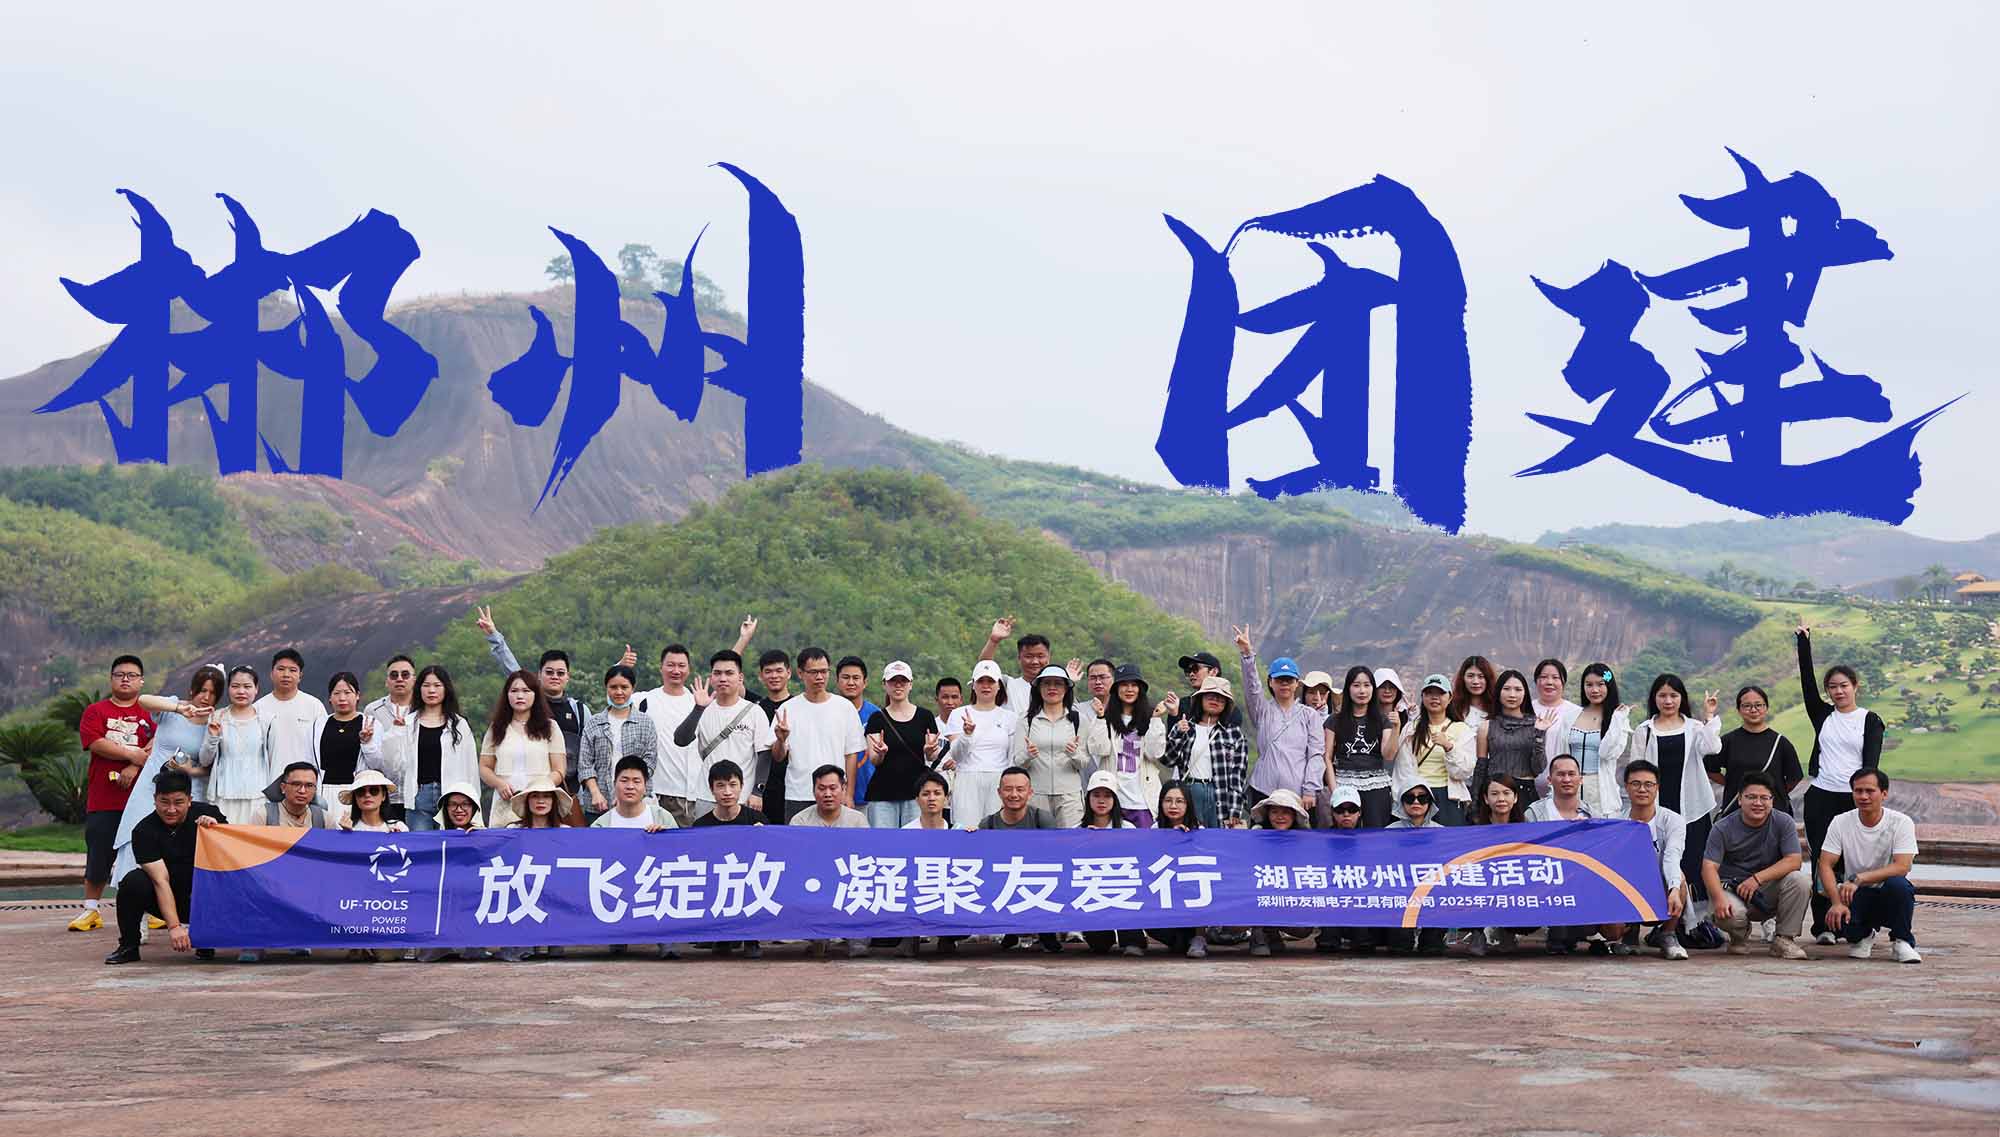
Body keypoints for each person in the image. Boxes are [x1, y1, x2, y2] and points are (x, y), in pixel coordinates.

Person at [1795, 626, 1886, 944]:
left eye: (1844, 686)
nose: (1838, 692)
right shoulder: (1823, 715)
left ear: (1855, 686)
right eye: (1832, 687)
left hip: (1854, 799)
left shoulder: (1870, 720)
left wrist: (1867, 798)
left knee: (1855, 861)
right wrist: (1803, 642)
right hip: (1821, 796)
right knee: (1823, 860)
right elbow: (1807, 684)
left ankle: (1854, 923)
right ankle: (1823, 926)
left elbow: (1871, 765)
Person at [477, 606, 607, 820]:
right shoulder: (524, 702)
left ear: (568, 677)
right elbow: (513, 672)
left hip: (565, 794)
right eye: (549, 672)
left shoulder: (579, 711)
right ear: (538, 676)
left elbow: (589, 754)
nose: (555, 677)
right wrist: (494, 636)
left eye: (560, 673)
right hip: (512, 800)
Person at [111, 665, 224, 885]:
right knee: (140, 834)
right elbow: (143, 700)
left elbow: (211, 767)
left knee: (179, 846)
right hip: (152, 784)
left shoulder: (216, 722)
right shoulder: (172, 707)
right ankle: (134, 895)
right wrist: (179, 709)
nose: (206, 697)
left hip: (187, 789)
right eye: (202, 690)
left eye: (212, 693)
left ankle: (170, 901)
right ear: (192, 689)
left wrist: (189, 770)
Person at [72, 655, 159, 932]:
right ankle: (91, 909)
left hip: (143, 798)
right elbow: (96, 742)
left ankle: (154, 909)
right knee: (99, 851)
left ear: (141, 681)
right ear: (111, 679)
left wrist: (134, 766)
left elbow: (161, 741)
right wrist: (132, 754)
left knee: (147, 852)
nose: (125, 679)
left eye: (132, 675)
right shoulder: (95, 711)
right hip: (104, 797)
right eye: (120, 674)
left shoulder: (150, 713)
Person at [103, 768, 224, 965]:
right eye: (164, 802)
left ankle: (206, 939)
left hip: (209, 897)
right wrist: (174, 927)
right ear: (155, 799)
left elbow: (232, 856)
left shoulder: (209, 814)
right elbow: (160, 881)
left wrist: (217, 831)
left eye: (178, 802)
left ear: (190, 800)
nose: (171, 810)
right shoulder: (144, 831)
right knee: (133, 882)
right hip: (169, 897)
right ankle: (129, 946)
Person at [1630, 673, 1722, 925]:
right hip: (1656, 807)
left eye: (1673, 695)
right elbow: (1636, 770)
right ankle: (1660, 921)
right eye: (1662, 695)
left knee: (1694, 862)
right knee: (1656, 862)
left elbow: (1712, 748)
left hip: (1692, 806)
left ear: (1682, 698)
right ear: (1654, 699)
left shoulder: (1694, 727)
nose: (1668, 701)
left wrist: (1709, 716)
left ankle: (1697, 924)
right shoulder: (1644, 730)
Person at [1702, 771, 1810, 960]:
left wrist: (1757, 879)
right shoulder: (1722, 827)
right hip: (1732, 889)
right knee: (1730, 912)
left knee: (1800, 881)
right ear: (1739, 799)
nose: (1758, 803)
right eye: (1751, 797)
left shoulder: (1783, 821)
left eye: (1764, 798)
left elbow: (1794, 860)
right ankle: (1738, 936)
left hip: (1766, 889)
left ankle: (1784, 939)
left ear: (1772, 801)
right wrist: (1718, 898)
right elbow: (1709, 867)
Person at [1820, 769, 1920, 963]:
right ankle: (1863, 936)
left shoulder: (1901, 822)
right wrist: (1836, 902)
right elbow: (1825, 863)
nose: (1863, 796)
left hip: (1887, 892)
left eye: (1870, 791)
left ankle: (1901, 941)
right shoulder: (1840, 822)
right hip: (1855, 893)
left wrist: (1859, 878)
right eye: (1858, 791)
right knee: (1840, 919)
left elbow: (1903, 866)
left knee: (1900, 885)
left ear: (1884, 793)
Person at [370, 664, 479, 832]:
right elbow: (392, 764)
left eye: (437, 685)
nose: (431, 690)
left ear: (446, 689)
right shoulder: (408, 722)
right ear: (419, 689)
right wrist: (396, 731)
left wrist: (473, 805)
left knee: (450, 844)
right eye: (426, 685)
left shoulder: (459, 725)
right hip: (418, 797)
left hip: (452, 799)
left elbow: (470, 769)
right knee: (420, 845)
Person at [1235, 626, 1325, 820]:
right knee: (1262, 836)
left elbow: (1316, 755)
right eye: (1280, 680)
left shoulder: (1310, 715)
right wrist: (1247, 654)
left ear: (1297, 683)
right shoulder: (1262, 711)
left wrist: (1310, 788)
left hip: (1298, 794)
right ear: (1271, 682)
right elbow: (1252, 689)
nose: (1284, 684)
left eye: (1289, 680)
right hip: (1263, 790)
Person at [673, 650, 777, 818]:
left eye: (729, 673)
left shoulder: (754, 712)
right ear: (711, 677)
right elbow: (680, 740)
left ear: (740, 678)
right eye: (717, 673)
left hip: (743, 798)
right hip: (707, 796)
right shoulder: (702, 709)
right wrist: (698, 708)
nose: (723, 678)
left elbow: (764, 755)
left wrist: (757, 792)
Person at [771, 648, 867, 821]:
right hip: (799, 793)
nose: (820, 677)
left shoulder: (844, 707)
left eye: (824, 671)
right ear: (800, 673)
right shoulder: (787, 709)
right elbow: (778, 756)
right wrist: (781, 740)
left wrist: (848, 794)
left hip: (835, 794)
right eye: (814, 672)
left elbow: (851, 754)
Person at [976, 766, 1062, 953]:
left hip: (1038, 880)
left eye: (1020, 789)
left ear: (1030, 792)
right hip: (1002, 882)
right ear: (999, 792)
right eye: (1008, 789)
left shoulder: (1042, 819)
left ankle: (1046, 932)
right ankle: (1010, 930)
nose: (1014, 794)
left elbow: (1055, 857)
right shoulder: (988, 824)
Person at [1613, 760, 1689, 960]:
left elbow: (1672, 856)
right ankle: (1629, 934)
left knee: (1679, 878)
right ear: (1626, 787)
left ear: (1657, 788)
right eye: (1635, 784)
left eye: (1648, 784)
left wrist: (1674, 889)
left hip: (1660, 886)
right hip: (1627, 887)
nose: (1642, 789)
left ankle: (1668, 933)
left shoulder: (1673, 820)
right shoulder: (1615, 821)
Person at [691, 759, 764, 959]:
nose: (727, 792)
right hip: (717, 880)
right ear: (711, 789)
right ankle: (721, 936)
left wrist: (763, 837)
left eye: (733, 785)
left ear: (742, 786)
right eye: (720, 786)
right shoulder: (701, 825)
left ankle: (751, 938)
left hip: (749, 880)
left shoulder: (756, 820)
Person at [1011, 664, 1097, 827]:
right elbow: (1018, 762)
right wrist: (1028, 755)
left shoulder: (1079, 720)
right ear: (1039, 688)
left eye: (1058, 683)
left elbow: (1084, 763)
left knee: (1071, 839)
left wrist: (1074, 754)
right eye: (1046, 683)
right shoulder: (1026, 720)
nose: (1052, 688)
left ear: (1066, 688)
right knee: (1038, 840)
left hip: (1069, 795)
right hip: (1036, 794)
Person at [1540, 663, 1630, 816]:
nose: (1594, 690)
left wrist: (1617, 720)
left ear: (1609, 686)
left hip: (1600, 790)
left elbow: (1607, 753)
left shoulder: (1617, 720)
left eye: (1600, 684)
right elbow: (1560, 756)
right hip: (1568, 785)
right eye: (1589, 685)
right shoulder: (1570, 717)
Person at [479, 670, 567, 826]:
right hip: (505, 802)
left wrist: (539, 789)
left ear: (535, 694)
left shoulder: (550, 727)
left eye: (526, 691)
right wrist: (499, 783)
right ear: (507, 695)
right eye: (514, 691)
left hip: (538, 806)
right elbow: (484, 767)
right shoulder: (497, 728)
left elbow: (559, 770)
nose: (520, 696)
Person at [500, 775, 572, 961]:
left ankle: (554, 941)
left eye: (546, 796)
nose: (541, 801)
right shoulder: (512, 831)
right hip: (522, 893)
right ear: (527, 801)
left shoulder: (565, 832)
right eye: (535, 796)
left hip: (555, 894)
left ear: (553, 801)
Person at [940, 659, 1018, 826]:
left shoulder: (1010, 717)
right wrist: (967, 735)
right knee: (965, 830)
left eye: (991, 681)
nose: (986, 686)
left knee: (996, 830)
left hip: (999, 779)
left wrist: (1010, 786)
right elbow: (956, 756)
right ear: (973, 685)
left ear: (999, 686)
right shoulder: (958, 714)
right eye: (981, 681)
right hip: (967, 778)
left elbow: (1011, 757)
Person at [1076, 771, 1146, 957]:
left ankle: (1132, 938)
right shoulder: (1077, 831)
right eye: (1096, 795)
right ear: (1088, 798)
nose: (1101, 800)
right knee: (1100, 945)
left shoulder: (1128, 829)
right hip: (1092, 891)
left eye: (1107, 795)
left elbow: (1138, 863)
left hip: (1123, 889)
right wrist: (1085, 842)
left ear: (1115, 799)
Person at [1162, 677, 1247, 828]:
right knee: (1189, 834)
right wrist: (1178, 733)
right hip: (1190, 791)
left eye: (1221, 698)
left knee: (1216, 838)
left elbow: (1238, 775)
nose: (1215, 700)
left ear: (1226, 704)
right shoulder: (1186, 726)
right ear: (1200, 698)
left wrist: (1235, 809)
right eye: (1210, 696)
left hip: (1219, 793)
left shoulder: (1234, 733)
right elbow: (1168, 760)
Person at [862, 660, 939, 829]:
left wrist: (929, 751)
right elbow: (874, 760)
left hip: (916, 793)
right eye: (893, 681)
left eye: (903, 681)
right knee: (883, 841)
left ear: (910, 684)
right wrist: (881, 753)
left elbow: (933, 756)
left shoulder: (925, 716)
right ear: (885, 684)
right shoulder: (877, 718)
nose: (898, 685)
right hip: (883, 793)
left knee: (914, 841)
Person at [1390, 673, 1474, 826]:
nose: (1434, 698)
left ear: (1450, 697)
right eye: (1429, 693)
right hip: (1418, 797)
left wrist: (1449, 747)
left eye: (1440, 693)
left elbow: (1465, 771)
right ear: (1422, 697)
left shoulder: (1461, 729)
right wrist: (1406, 798)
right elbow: (1402, 769)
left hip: (1449, 797)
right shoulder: (1411, 728)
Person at [580, 664, 659, 824]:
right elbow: (585, 764)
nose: (619, 692)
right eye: (613, 687)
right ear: (606, 688)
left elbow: (649, 763)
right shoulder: (594, 723)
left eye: (624, 687)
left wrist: (627, 796)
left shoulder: (645, 723)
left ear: (632, 688)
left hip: (636, 804)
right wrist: (595, 793)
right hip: (599, 805)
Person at [1711, 685, 1804, 819]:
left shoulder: (1780, 743)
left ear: (1766, 708)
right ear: (1739, 710)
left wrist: (1772, 791)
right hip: (1736, 812)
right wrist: (1735, 785)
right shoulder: (1728, 741)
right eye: (1747, 706)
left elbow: (1794, 777)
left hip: (1774, 813)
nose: (1753, 710)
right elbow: (1710, 768)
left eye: (1758, 705)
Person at [1464, 774, 1530, 956]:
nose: (1501, 798)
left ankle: (1507, 931)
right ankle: (1478, 932)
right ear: (1486, 799)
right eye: (1494, 794)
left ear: (1515, 798)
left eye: (1506, 793)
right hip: (1481, 885)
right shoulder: (1473, 828)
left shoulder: (1528, 828)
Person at [1325, 665, 1399, 828]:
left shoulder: (1382, 720)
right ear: (1348, 688)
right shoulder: (1334, 720)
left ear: (1373, 689)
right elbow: (1327, 757)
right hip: (1344, 785)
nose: (1362, 691)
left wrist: (1396, 729)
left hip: (1376, 786)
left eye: (1367, 685)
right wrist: (1335, 790)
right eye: (1356, 685)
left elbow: (1388, 755)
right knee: (1345, 834)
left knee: (1376, 834)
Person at [637, 644, 701, 826]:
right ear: (661, 668)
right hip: (654, 793)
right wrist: (622, 665)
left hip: (688, 795)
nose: (676, 670)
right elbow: (616, 695)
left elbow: (727, 673)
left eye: (681, 666)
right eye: (670, 665)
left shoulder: (696, 701)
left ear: (689, 669)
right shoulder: (645, 700)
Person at [1095, 664, 1166, 828]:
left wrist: (1156, 719)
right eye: (1124, 685)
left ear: (1140, 689)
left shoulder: (1149, 717)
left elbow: (1155, 754)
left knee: (1145, 843)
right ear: (1116, 689)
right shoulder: (1106, 718)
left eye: (1134, 685)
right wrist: (1099, 718)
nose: (1129, 689)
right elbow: (1099, 749)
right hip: (1114, 799)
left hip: (1143, 799)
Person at [200, 666, 269, 827]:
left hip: (257, 795)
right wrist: (213, 737)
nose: (241, 691)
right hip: (224, 794)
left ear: (256, 689)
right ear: (228, 688)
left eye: (247, 686)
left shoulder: (266, 720)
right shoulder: (217, 716)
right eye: (235, 686)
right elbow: (204, 760)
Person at [1472, 669, 1550, 809]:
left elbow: (1538, 768)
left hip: (1525, 792)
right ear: (1498, 692)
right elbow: (1481, 768)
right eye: (1507, 689)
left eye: (1518, 689)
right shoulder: (1487, 726)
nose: (1512, 694)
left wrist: (1539, 735)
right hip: (1496, 793)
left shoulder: (1537, 724)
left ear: (1525, 693)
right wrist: (1474, 801)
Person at [1248, 788, 1312, 958]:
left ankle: (1271, 931)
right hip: (1259, 896)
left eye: (1285, 812)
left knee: (1304, 928)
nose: (1280, 817)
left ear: (1294, 815)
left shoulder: (1305, 840)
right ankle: (1258, 932)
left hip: (1290, 898)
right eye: (1274, 812)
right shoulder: (1256, 834)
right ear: (1267, 814)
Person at [1385, 784, 1447, 955]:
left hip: (1432, 891)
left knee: (1432, 947)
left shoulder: (1442, 832)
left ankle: (1432, 938)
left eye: (1422, 797)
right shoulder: (1389, 832)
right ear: (1401, 802)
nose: (1416, 802)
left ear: (1430, 802)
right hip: (1399, 891)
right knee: (1399, 946)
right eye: (1409, 798)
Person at [309, 672, 382, 816]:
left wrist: (366, 743)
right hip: (324, 791)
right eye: (337, 693)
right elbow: (310, 760)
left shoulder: (370, 724)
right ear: (330, 697)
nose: (342, 698)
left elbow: (377, 765)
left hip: (357, 791)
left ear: (357, 695)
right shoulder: (319, 725)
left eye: (348, 693)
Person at [1148, 782, 1208, 958]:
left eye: (1179, 801)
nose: (1173, 806)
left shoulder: (1200, 830)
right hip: (1164, 889)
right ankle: (1181, 940)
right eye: (1168, 800)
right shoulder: (1153, 830)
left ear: (1188, 804)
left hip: (1190, 889)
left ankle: (1199, 937)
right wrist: (1170, 839)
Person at [1314, 785, 1376, 954]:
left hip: (1363, 895)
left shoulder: (1373, 840)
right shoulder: (1321, 840)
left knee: (1364, 942)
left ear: (1359, 812)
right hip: (1331, 896)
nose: (1346, 814)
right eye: (1340, 810)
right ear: (1332, 812)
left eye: (1352, 809)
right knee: (1328, 942)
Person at [254, 648, 326, 787]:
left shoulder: (314, 706)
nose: (286, 674)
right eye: (281, 669)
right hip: (270, 784)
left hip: (306, 786)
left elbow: (323, 748)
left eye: (292, 670)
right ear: (271, 673)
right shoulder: (258, 708)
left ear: (300, 676)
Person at [363, 654, 418, 815]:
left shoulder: (425, 709)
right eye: (394, 675)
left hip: (417, 794)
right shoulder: (373, 710)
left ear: (414, 680)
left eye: (405, 675)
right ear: (387, 681)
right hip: (383, 794)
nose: (399, 679)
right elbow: (371, 755)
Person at [835, 656, 884, 807]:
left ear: (865, 682)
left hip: (870, 794)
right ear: (837, 681)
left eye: (856, 678)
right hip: (834, 794)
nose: (851, 682)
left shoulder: (876, 715)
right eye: (845, 678)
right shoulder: (829, 711)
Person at [753, 647, 795, 822]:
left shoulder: (798, 706)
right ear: (761, 676)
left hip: (793, 787)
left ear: (789, 673)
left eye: (779, 670)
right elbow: (729, 671)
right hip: (760, 790)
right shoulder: (755, 709)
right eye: (768, 671)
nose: (774, 676)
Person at [978, 616, 1049, 711]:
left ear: (1048, 657)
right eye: (1029, 656)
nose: (1035, 662)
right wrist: (994, 640)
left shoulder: (1057, 690)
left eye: (1040, 656)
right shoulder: (1008, 686)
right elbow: (984, 668)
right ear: (1019, 658)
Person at [590, 755, 678, 830]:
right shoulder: (601, 826)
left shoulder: (662, 818)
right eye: (624, 781)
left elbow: (677, 843)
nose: (630, 786)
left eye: (636, 781)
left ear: (645, 786)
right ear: (614, 784)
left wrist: (664, 836)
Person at [791, 765, 868, 829]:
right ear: (813, 791)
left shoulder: (857, 820)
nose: (828, 794)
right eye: (822, 788)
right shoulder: (801, 821)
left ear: (843, 789)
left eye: (833, 788)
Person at [262, 763, 330, 828]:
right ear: (283, 787)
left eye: (309, 785)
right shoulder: (264, 815)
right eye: (296, 784)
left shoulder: (324, 819)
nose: (302, 791)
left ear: (315, 790)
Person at [1527, 755, 1592, 822]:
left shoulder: (1592, 815)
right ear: (1550, 780)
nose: (1567, 780)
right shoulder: (1534, 814)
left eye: (1571, 774)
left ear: (1580, 779)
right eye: (1561, 774)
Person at [340, 769, 407, 833]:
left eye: (374, 790)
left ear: (383, 796)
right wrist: (348, 835)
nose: (367, 795)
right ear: (355, 798)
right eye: (361, 791)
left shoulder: (399, 827)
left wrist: (396, 837)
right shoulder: (347, 827)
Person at [1531, 657, 1583, 740]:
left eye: (1555, 677)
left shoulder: (1576, 713)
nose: (1549, 682)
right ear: (1536, 681)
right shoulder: (1526, 710)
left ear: (1564, 682)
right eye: (1544, 677)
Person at [1449, 655, 1498, 732]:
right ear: (1463, 678)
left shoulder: (1498, 708)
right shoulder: (1453, 708)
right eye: (1470, 676)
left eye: (1481, 676)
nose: (1475, 681)